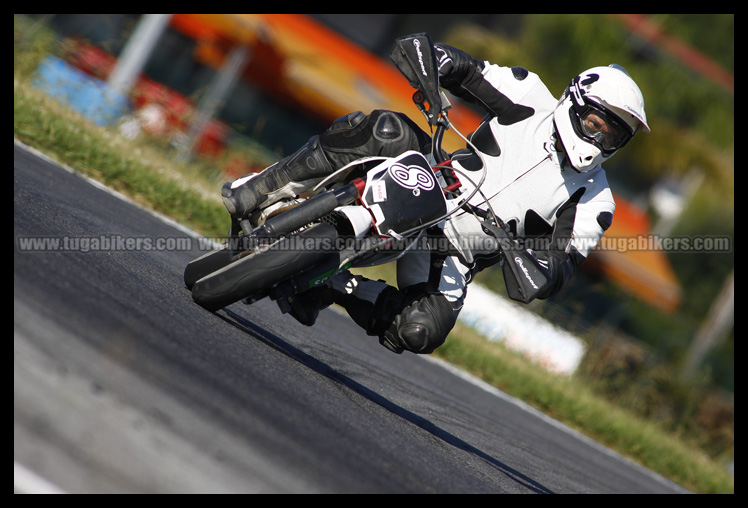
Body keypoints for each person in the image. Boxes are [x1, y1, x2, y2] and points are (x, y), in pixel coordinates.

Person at [221, 42, 650, 354]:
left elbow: (548, 276)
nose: (599, 138)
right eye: (596, 122)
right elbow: (426, 51)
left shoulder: (596, 202)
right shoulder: (526, 94)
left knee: (419, 331)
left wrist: (508, 244)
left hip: (454, 251)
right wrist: (434, 85)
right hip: (435, 178)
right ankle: (259, 188)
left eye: (614, 133)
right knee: (386, 128)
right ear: (574, 102)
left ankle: (332, 285)